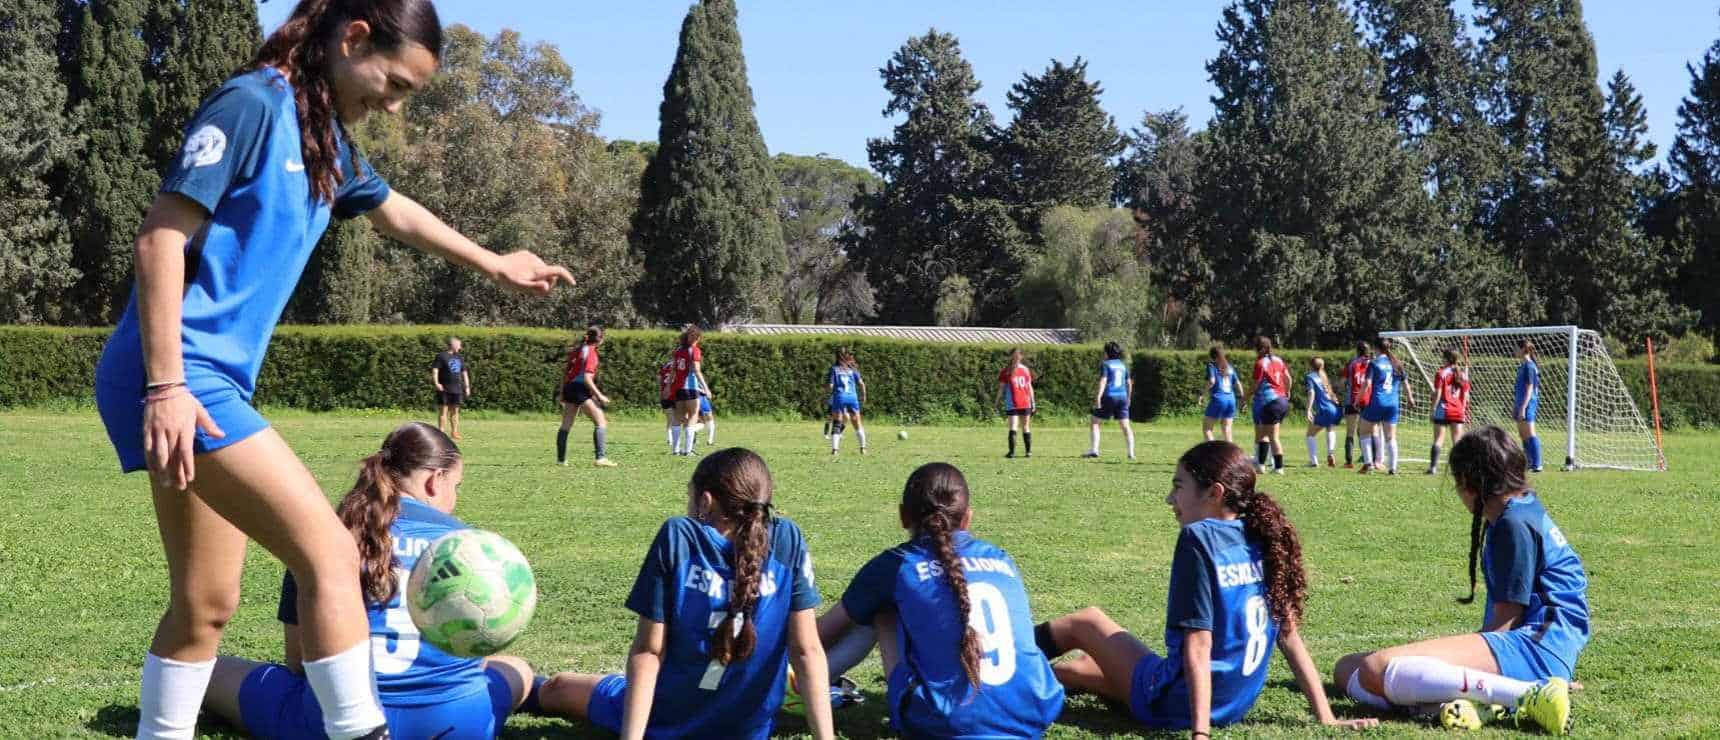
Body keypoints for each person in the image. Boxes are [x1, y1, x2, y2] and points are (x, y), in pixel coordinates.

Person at [91, 3, 575, 736]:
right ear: (352, 39)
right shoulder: (253, 103)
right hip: (180, 376)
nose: (394, 102)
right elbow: (160, 241)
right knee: (330, 552)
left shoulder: (324, 139)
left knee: (206, 603)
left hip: (206, 383)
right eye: (397, 83)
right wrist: (166, 386)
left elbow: (393, 211)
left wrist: (493, 262)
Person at [202, 422, 534, 739]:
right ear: (436, 479)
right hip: (459, 726)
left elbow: (300, 661)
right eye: (456, 486)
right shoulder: (469, 543)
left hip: (336, 725)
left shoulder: (325, 539)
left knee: (208, 671)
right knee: (516, 668)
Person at [1034, 441, 1377, 734]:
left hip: (1179, 701)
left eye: (1178, 486)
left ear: (1214, 493)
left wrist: (1200, 733)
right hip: (1231, 704)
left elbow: (1198, 644)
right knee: (1082, 670)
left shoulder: (1199, 538)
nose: (1170, 499)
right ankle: (1051, 678)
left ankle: (994, 664)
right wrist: (1326, 718)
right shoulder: (1263, 537)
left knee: (1086, 622)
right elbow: (1288, 635)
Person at [535, 448, 835, 739]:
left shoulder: (679, 536)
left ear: (705, 501)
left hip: (669, 719)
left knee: (556, 687)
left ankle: (507, 680)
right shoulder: (788, 538)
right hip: (746, 728)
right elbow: (807, 650)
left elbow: (649, 652)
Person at [1333, 427, 1582, 734]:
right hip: (1547, 648)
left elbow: (1506, 624)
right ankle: (1446, 707)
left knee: (1373, 669)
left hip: (1534, 647)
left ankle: (1524, 695)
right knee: (1346, 668)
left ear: (1470, 484)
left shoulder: (1512, 525)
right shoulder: (1524, 506)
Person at [815, 463, 1065, 737]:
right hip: (1033, 713)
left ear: (902, 516)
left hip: (943, 723)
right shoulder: (1001, 558)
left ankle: (809, 685)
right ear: (968, 517)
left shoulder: (896, 564)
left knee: (883, 609)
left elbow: (820, 635)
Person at [555, 327, 617, 468]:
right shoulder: (591, 353)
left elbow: (566, 373)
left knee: (566, 424)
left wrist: (562, 392)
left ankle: (561, 460)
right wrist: (599, 395)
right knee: (601, 422)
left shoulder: (577, 350)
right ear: (600, 339)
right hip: (580, 388)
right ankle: (600, 458)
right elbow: (587, 379)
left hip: (569, 387)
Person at [1357, 341, 1415, 475]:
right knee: (1391, 437)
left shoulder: (1374, 363)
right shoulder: (1397, 364)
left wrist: (1358, 399)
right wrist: (1410, 399)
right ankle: (1392, 468)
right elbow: (1405, 384)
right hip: (1393, 404)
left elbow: (1367, 383)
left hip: (1377, 402)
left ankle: (1368, 464)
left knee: (1364, 431)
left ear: (1377, 348)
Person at [1085, 341, 1136, 460]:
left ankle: (1094, 450)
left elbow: (1103, 381)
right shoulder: (1123, 365)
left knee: (1095, 421)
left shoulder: (1106, 364)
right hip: (1122, 396)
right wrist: (1128, 398)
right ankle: (1131, 453)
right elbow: (1129, 383)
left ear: (1107, 353)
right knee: (1125, 426)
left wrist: (1098, 397)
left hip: (1109, 396)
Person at [1250, 337, 1292, 475]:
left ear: (1259, 348)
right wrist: (1287, 391)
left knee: (1269, 436)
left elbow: (1255, 385)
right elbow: (1288, 378)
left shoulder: (1260, 363)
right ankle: (1262, 466)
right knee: (1268, 434)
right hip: (1282, 400)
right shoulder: (1279, 360)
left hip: (1270, 402)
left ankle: (1276, 467)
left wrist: (1245, 398)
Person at [670, 325, 712, 457]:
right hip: (691, 387)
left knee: (678, 417)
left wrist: (667, 386)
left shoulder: (678, 350)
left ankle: (675, 450)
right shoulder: (695, 350)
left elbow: (673, 370)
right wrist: (705, 387)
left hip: (678, 387)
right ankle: (688, 450)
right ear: (698, 338)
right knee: (693, 416)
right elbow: (697, 370)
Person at [1428, 348, 1472, 475]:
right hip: (1457, 410)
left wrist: (1433, 409)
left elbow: (1438, 393)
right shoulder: (1463, 374)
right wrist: (1462, 409)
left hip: (1443, 409)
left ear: (1446, 359)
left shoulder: (1441, 373)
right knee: (1457, 441)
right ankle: (1459, 469)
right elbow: (1466, 395)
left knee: (1438, 439)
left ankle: (1433, 468)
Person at [1303, 357, 1342, 468]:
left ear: (1311, 366)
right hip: (1334, 408)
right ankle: (1330, 453)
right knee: (1330, 428)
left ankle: (1314, 461)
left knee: (1310, 434)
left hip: (1324, 409)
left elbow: (1311, 393)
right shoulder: (1324, 376)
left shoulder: (1310, 377)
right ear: (1322, 366)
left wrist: (1309, 409)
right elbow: (1330, 393)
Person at [827, 349, 867, 456]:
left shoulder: (834, 369)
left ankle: (835, 450)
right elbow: (862, 384)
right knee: (858, 424)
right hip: (852, 398)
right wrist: (863, 396)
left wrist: (826, 393)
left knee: (837, 424)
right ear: (848, 357)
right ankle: (863, 449)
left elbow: (830, 386)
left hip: (839, 398)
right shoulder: (852, 370)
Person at [998, 348, 1036, 458]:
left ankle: (1012, 452)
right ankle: (1028, 452)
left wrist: (997, 401)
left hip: (1012, 403)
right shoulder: (1025, 370)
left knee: (1013, 426)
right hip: (1026, 401)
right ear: (1021, 357)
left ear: (1010, 357)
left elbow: (1001, 388)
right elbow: (1029, 387)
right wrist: (1033, 402)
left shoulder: (1006, 370)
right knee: (1026, 427)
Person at [1341, 342, 1373, 468]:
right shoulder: (1372, 363)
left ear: (1357, 350)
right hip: (1366, 398)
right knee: (1365, 431)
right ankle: (1368, 458)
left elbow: (1343, 381)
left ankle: (1349, 462)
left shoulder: (1351, 363)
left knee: (1350, 431)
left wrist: (1343, 388)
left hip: (1352, 398)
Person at [1514, 340, 1545, 472]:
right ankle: (1528, 462)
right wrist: (1515, 405)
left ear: (1522, 349)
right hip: (1520, 403)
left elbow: (1530, 389)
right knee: (1522, 434)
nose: (1514, 351)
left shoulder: (1529, 366)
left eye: (1516, 348)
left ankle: (1537, 464)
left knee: (1530, 432)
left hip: (1527, 404)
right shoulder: (1523, 366)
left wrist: (1523, 407)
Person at [432, 337, 470, 440]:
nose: (460, 347)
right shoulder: (441, 356)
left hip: (457, 388)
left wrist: (467, 387)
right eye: (459, 345)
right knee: (443, 411)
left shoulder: (459, 357)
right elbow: (435, 370)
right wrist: (436, 383)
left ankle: (454, 432)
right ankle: (441, 433)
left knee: (455, 411)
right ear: (453, 345)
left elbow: (464, 373)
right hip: (444, 388)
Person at [1203, 345, 1240, 443]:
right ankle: (1231, 456)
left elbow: (1212, 381)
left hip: (1219, 398)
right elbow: (1238, 383)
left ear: (1212, 356)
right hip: (1231, 399)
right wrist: (1242, 398)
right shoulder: (1229, 367)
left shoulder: (1211, 365)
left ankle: (1214, 453)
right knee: (1227, 429)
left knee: (1207, 429)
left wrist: (1202, 394)